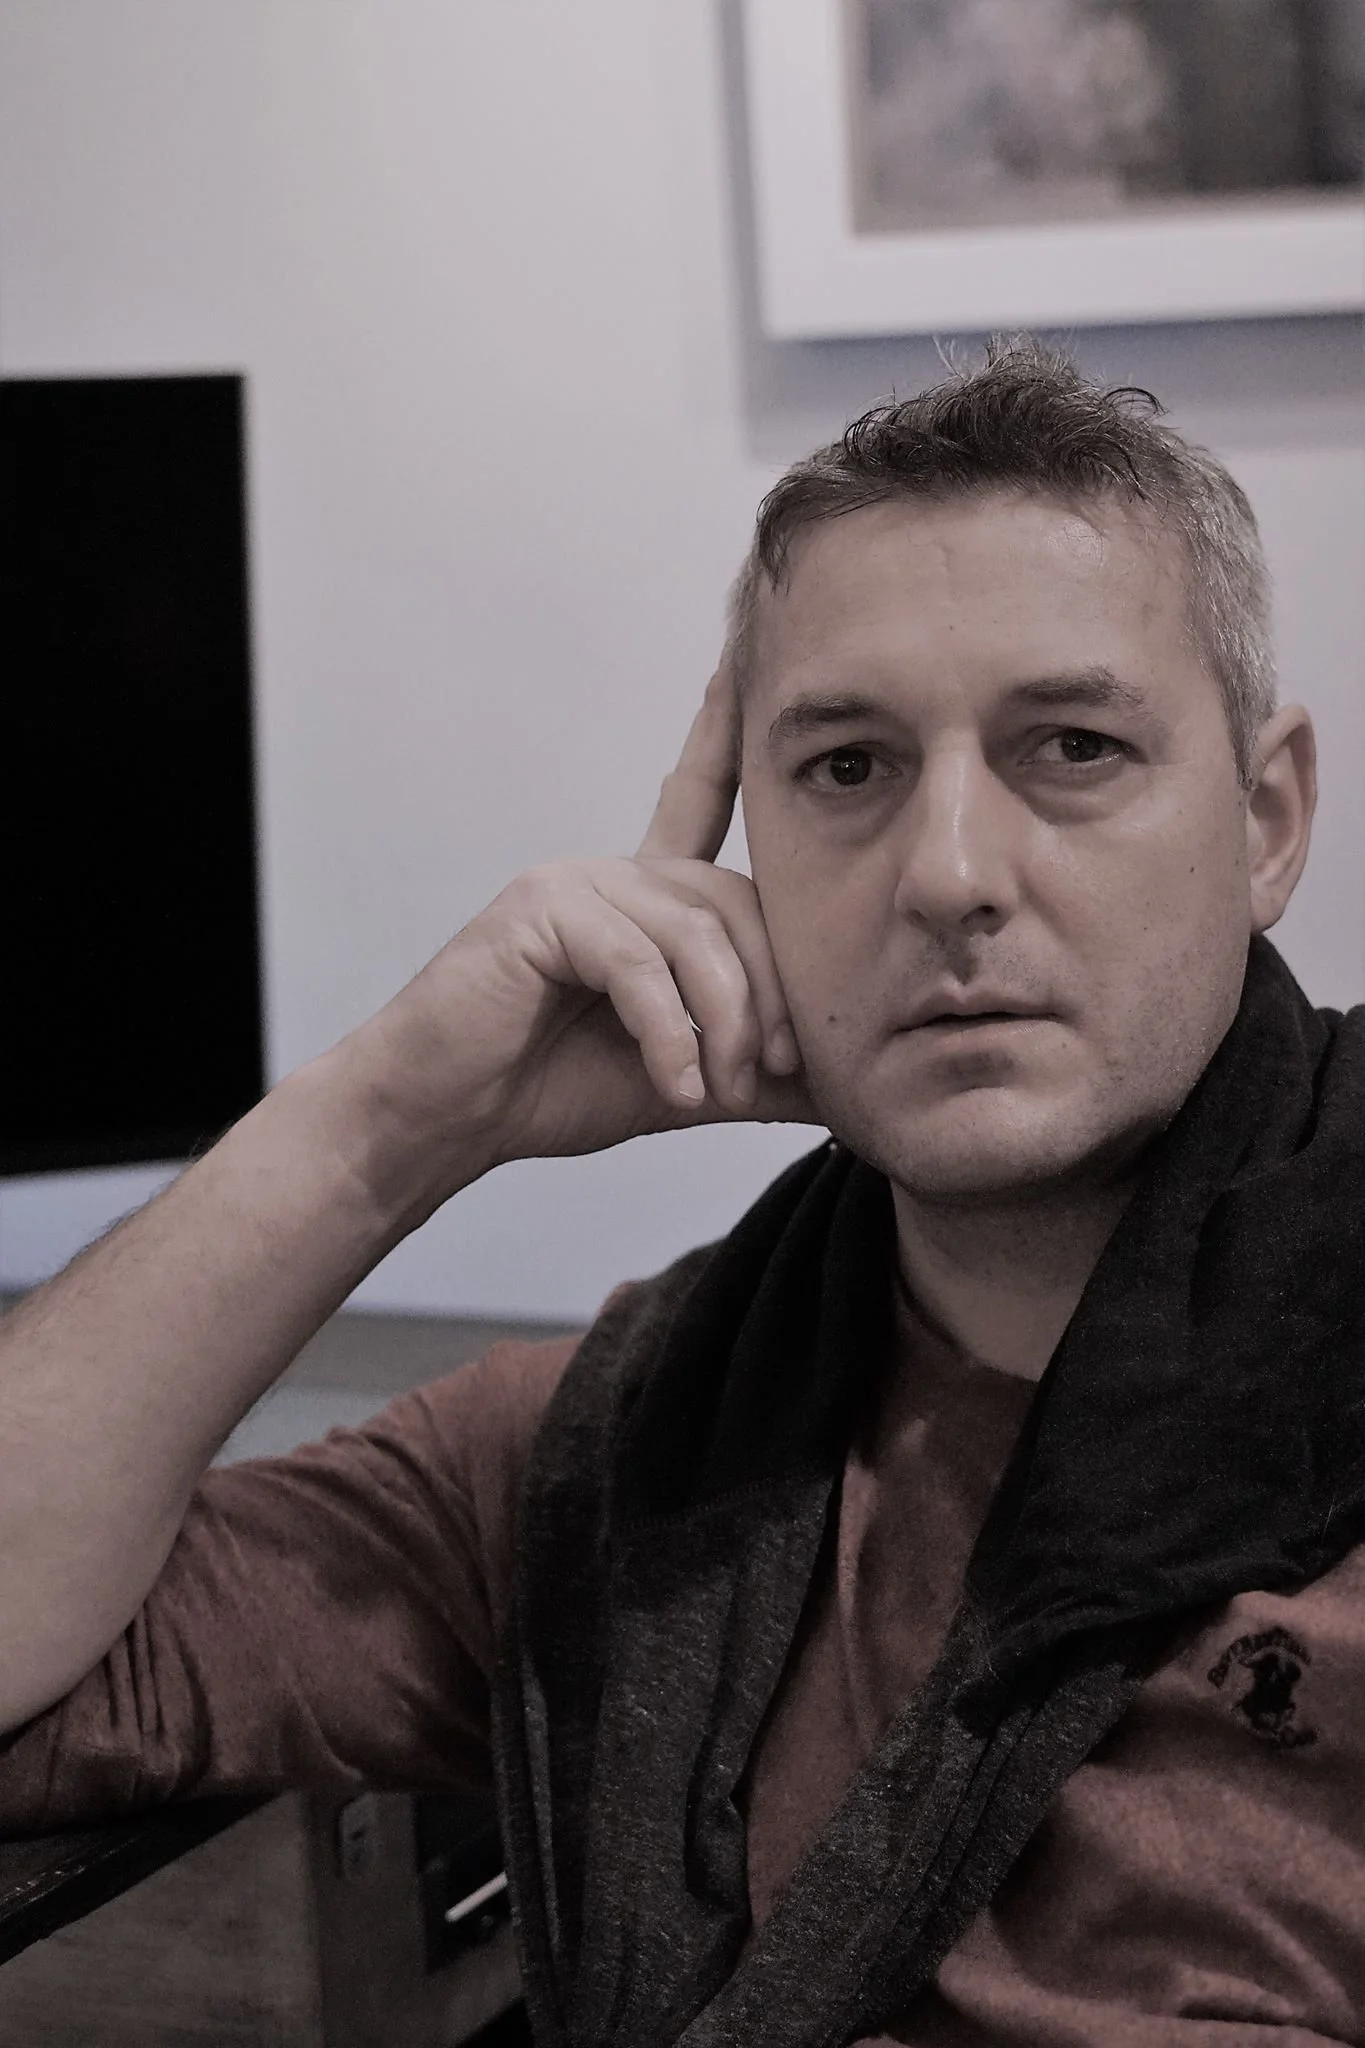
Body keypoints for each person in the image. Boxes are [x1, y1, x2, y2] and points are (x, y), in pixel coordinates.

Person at [0, 337, 1361, 2046]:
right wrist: (396, 1121)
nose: (948, 874)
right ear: (745, 850)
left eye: (1072, 746)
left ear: (1265, 820)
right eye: (848, 768)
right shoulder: (615, 1453)